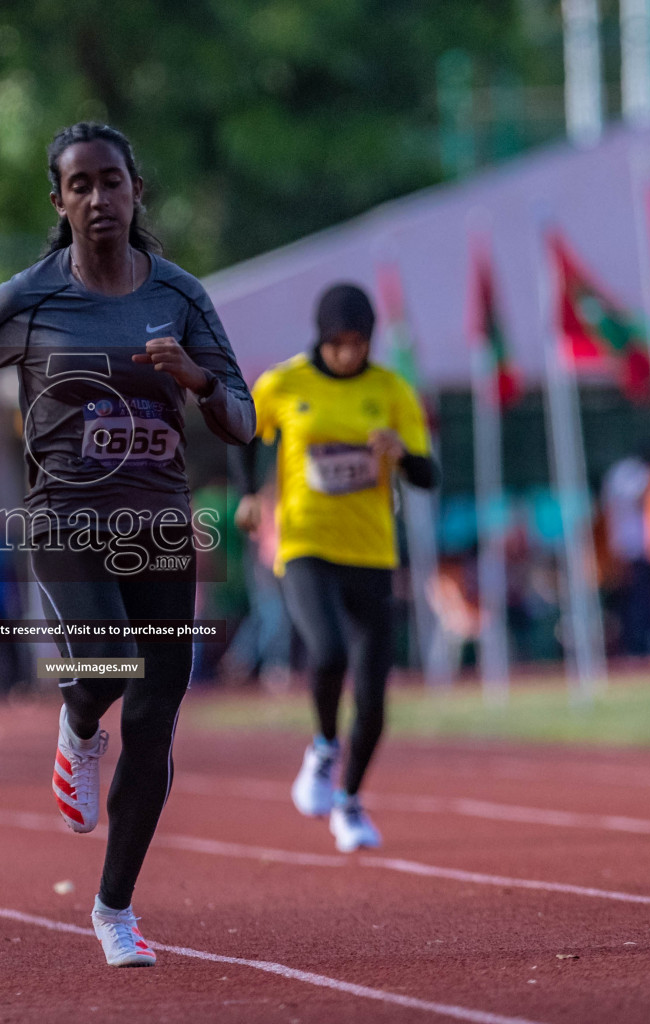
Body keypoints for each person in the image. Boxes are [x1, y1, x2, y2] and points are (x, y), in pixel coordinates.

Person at [0, 122, 254, 967]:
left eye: (112, 182)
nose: (99, 199)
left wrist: (199, 380)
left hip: (163, 525)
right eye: (81, 185)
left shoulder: (178, 296)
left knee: (156, 709)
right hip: (66, 519)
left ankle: (114, 910)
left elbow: (245, 419)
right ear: (58, 201)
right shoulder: (29, 297)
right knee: (107, 668)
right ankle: (75, 726)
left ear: (137, 191)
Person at [233, 283, 438, 852]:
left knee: (373, 697)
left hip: (371, 550)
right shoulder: (285, 382)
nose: (348, 354)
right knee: (327, 652)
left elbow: (427, 476)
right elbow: (243, 433)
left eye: (358, 343)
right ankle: (324, 748)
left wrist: (401, 452)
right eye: (338, 343)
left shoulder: (391, 390)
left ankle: (349, 801)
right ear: (320, 338)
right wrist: (248, 493)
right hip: (305, 543)